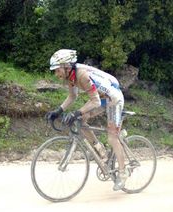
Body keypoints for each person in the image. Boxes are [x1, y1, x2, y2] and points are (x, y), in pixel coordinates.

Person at [46, 49, 128, 191]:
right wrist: (58, 110)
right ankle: (101, 150)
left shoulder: (81, 75)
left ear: (66, 66)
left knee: (112, 138)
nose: (56, 73)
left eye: (57, 70)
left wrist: (76, 112)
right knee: (82, 121)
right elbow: (72, 97)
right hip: (102, 99)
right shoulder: (70, 76)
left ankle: (123, 173)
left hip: (113, 99)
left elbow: (95, 102)